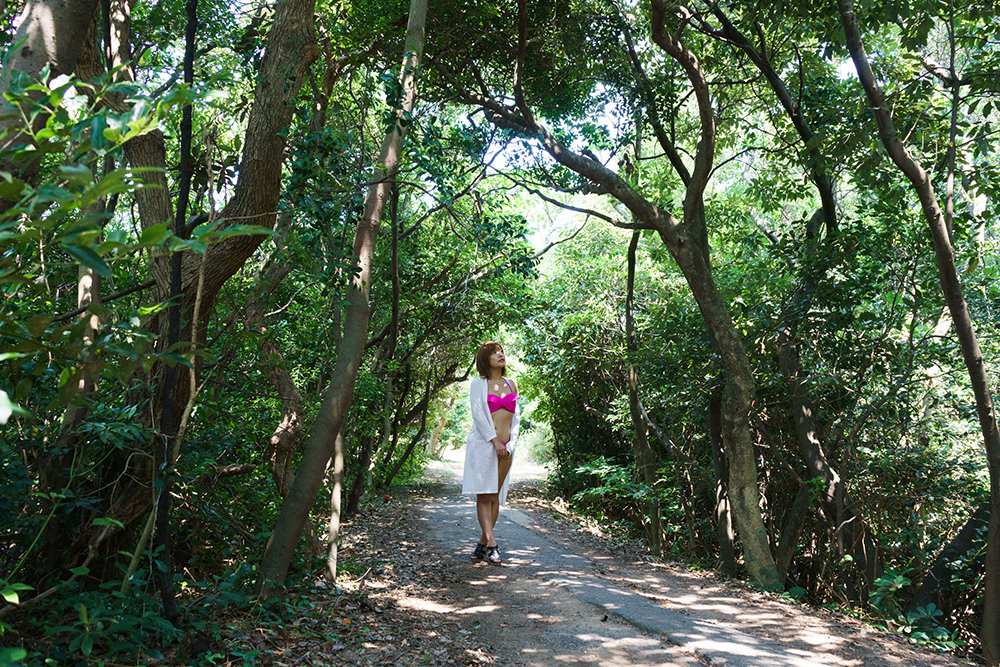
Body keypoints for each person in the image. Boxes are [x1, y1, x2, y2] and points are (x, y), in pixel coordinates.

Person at [462, 341, 519, 565]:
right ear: (485, 359)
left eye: (501, 351)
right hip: (484, 446)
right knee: (484, 496)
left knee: (494, 496)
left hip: (506, 448)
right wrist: (494, 441)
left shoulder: (512, 383)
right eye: (494, 353)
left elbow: (517, 418)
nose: (500, 355)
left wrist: (510, 443)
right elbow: (478, 415)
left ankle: (482, 543)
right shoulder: (479, 384)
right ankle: (493, 544)